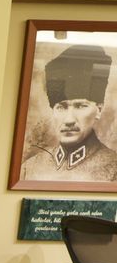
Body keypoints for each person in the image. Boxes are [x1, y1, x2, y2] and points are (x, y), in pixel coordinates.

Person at [21, 44, 117, 182]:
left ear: (99, 110)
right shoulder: (30, 168)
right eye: (61, 107)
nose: (69, 120)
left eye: (80, 106)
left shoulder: (114, 168)